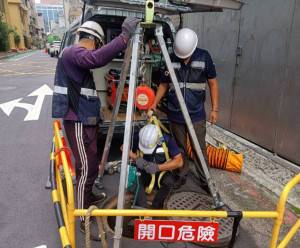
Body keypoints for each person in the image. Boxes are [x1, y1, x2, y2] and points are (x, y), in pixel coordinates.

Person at [52, 17, 140, 240]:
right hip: (78, 123)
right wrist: (123, 38)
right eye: (98, 44)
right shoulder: (74, 52)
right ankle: (83, 218)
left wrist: (96, 110)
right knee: (84, 169)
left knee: (92, 164)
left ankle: (88, 196)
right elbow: (97, 58)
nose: (98, 48)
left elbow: (83, 91)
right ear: (93, 40)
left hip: (86, 120)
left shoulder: (75, 56)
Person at [149, 28, 219, 193]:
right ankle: (181, 175)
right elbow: (164, 84)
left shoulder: (204, 57)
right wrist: (154, 103)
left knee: (199, 148)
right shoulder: (171, 58)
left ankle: (206, 181)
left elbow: (213, 83)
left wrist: (215, 109)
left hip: (196, 114)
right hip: (175, 113)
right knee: (179, 147)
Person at [121, 124, 183, 210]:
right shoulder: (141, 136)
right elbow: (123, 147)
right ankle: (143, 210)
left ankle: (155, 209)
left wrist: (158, 167)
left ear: (157, 138)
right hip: (145, 170)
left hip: (162, 171)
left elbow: (179, 162)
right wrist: (136, 158)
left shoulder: (167, 139)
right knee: (136, 179)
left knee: (169, 181)